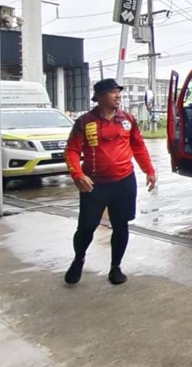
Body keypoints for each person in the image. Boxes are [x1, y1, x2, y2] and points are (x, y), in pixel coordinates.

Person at [63, 79, 156, 286]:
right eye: (113, 92)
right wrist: (77, 174)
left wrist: (149, 170)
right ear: (100, 97)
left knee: (121, 225)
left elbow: (138, 146)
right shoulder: (85, 122)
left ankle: (116, 267)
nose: (118, 96)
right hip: (94, 185)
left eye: (118, 92)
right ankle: (78, 260)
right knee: (86, 227)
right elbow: (72, 150)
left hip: (124, 182)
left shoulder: (128, 119)